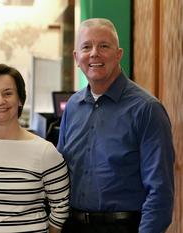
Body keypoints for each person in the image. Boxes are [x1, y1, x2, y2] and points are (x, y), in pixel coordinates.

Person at [57, 18, 175, 233]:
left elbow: (160, 192)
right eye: (86, 47)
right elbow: (60, 173)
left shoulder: (147, 109)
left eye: (104, 46)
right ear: (76, 57)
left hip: (123, 226)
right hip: (73, 225)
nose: (94, 53)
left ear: (118, 54)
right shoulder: (73, 106)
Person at [0, 64, 70, 233]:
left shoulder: (44, 151)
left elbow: (61, 206)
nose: (0, 100)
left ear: (20, 99)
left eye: (8, 93)